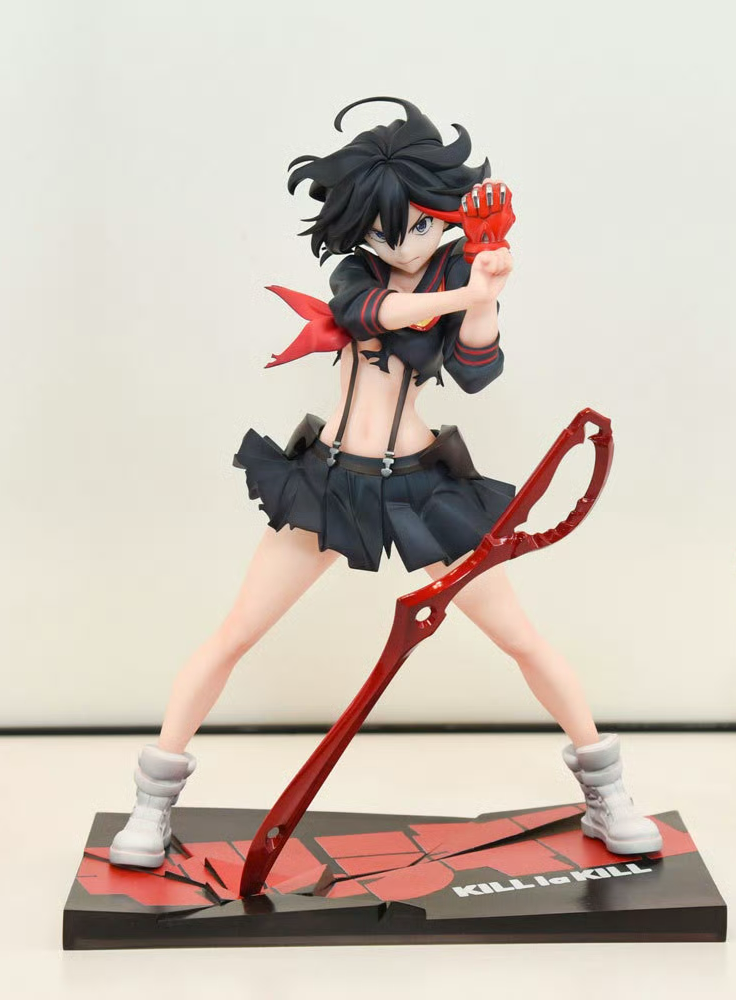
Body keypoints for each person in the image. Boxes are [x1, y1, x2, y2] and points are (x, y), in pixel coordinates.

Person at [109, 97, 661, 870]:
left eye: (419, 225)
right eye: (381, 229)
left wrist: (485, 295)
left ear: (445, 213)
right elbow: (378, 313)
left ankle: (607, 794)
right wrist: (470, 293)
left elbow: (475, 367)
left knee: (520, 638)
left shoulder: (460, 270)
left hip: (425, 489)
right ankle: (151, 805)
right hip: (331, 484)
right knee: (235, 634)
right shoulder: (358, 274)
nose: (399, 243)